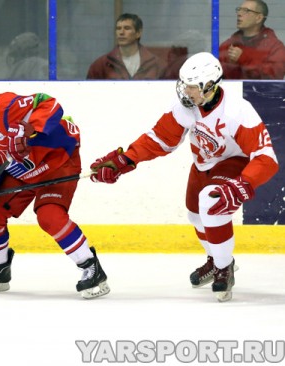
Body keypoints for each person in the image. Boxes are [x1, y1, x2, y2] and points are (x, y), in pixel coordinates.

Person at [89, 52, 279, 302]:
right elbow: (159, 139)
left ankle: (224, 267)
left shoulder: (237, 111)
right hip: (202, 164)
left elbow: (267, 158)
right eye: (184, 84)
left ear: (210, 86)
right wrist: (126, 160)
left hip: (233, 163)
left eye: (192, 87)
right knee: (195, 215)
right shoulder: (185, 106)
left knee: (210, 203)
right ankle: (215, 259)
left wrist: (242, 184)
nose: (185, 91)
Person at [0, 71, 109, 299]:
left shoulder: (3, 105)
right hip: (23, 170)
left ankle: (91, 267)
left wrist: (30, 130)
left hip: (57, 160)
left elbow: (49, 104)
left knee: (49, 216)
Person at [86, 13, 166, 80]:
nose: (121, 32)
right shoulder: (101, 65)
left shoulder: (157, 64)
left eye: (127, 28)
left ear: (138, 33)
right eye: (118, 28)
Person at [219, 0, 285, 79]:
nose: (239, 14)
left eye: (246, 11)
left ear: (259, 18)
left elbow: (274, 78)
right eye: (239, 9)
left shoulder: (274, 47)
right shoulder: (228, 45)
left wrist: (244, 59)